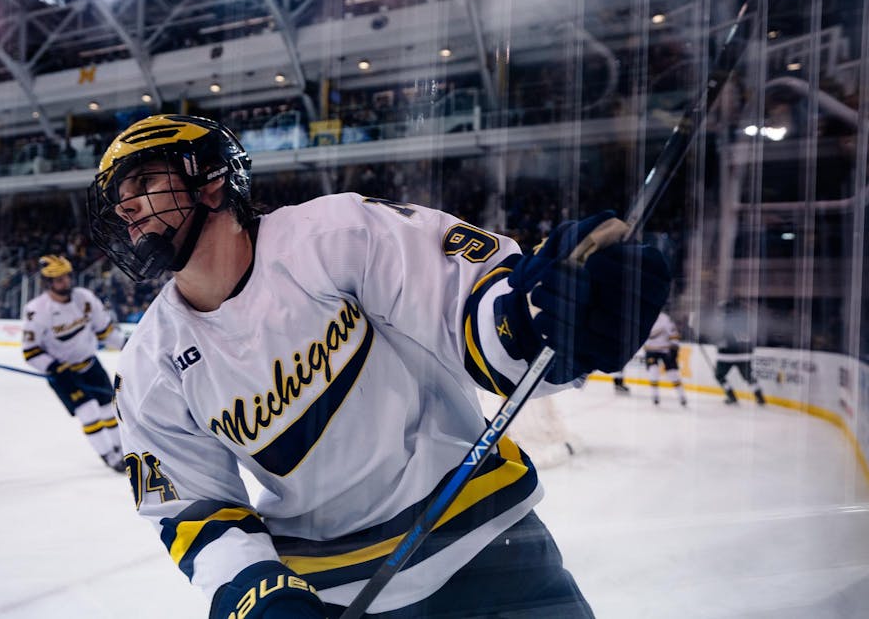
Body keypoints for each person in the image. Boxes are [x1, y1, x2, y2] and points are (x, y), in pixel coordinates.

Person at [86, 114, 670, 618]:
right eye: (119, 196)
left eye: (144, 180)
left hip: (491, 554)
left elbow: (470, 309)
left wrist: (543, 318)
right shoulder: (148, 365)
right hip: (330, 593)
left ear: (210, 180)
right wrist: (256, 592)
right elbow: (194, 509)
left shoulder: (336, 234)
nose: (126, 205)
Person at [21, 255, 127, 472]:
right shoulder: (37, 310)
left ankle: (121, 449)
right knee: (88, 411)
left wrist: (128, 345)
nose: (65, 283)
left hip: (90, 365)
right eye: (59, 279)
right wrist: (51, 367)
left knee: (108, 409)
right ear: (48, 283)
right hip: (64, 374)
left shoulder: (84, 298)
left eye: (67, 277)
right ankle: (109, 456)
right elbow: (30, 351)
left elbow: (104, 331)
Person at [715, 301, 766, 406]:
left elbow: (720, 339)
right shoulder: (743, 321)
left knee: (719, 376)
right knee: (748, 377)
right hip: (745, 355)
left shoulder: (724, 321)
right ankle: (759, 396)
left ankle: (731, 396)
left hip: (727, 356)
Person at [642, 310, 687, 406]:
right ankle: (655, 396)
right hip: (650, 351)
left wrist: (674, 349)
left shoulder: (665, 319)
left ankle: (681, 396)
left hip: (665, 350)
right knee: (653, 371)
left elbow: (673, 334)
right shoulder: (644, 316)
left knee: (673, 374)